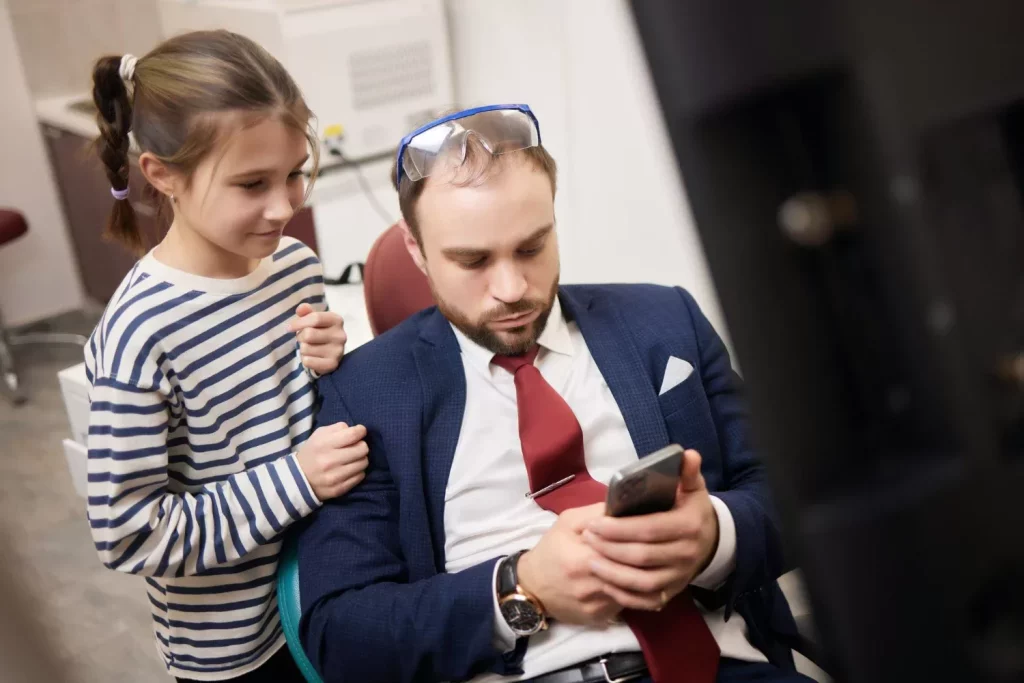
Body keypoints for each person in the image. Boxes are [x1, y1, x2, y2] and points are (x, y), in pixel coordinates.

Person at [297, 105, 811, 683]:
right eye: (473, 260)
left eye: (531, 247)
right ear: (416, 252)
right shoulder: (367, 391)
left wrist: (714, 533)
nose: (512, 289)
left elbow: (799, 497)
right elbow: (339, 632)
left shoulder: (667, 320)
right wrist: (520, 589)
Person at [84, 30, 369, 682]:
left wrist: (325, 366)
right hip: (237, 647)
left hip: (325, 586)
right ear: (162, 174)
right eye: (251, 183)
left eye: (295, 173)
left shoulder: (294, 265)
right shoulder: (139, 332)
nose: (285, 206)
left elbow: (277, 417)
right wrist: (296, 479)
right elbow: (128, 534)